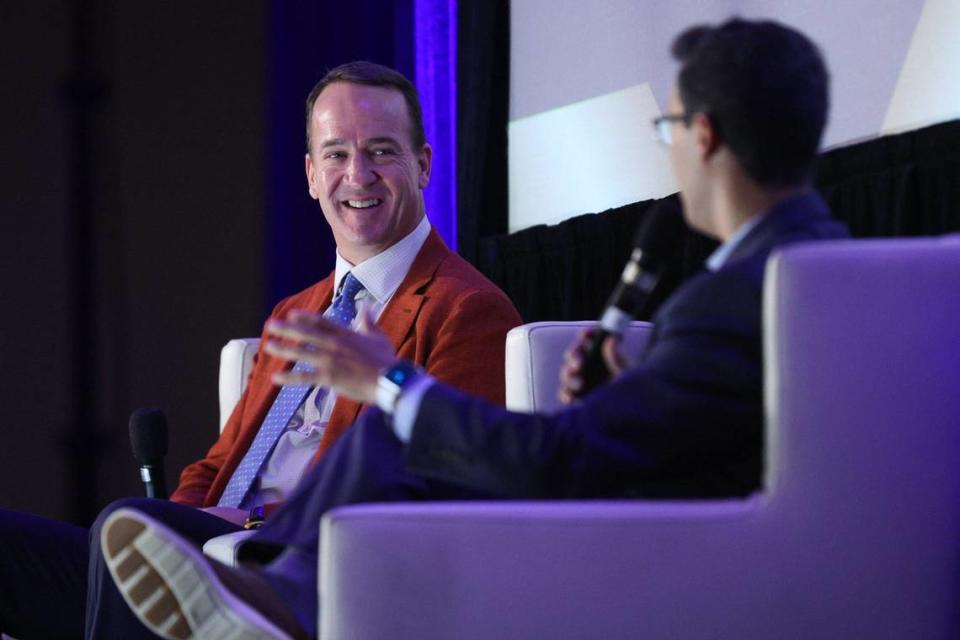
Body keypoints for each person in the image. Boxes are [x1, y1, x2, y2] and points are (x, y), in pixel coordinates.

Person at [101, 18, 850, 640]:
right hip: (693, 546)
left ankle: (276, 597)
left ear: (707, 136)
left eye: (669, 126)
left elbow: (550, 464)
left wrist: (388, 381)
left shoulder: (741, 296)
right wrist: (623, 392)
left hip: (674, 574)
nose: (357, 175)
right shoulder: (809, 267)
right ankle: (274, 594)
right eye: (336, 155)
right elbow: (679, 437)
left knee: (393, 428)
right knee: (112, 535)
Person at [0, 61, 520, 640]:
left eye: (380, 151)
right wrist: (175, 528)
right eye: (335, 155)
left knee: (128, 525)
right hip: (208, 558)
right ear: (310, 175)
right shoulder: (295, 313)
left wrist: (247, 521)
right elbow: (220, 467)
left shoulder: (465, 308)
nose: (358, 175)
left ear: (422, 165)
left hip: (294, 568)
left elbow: (439, 492)